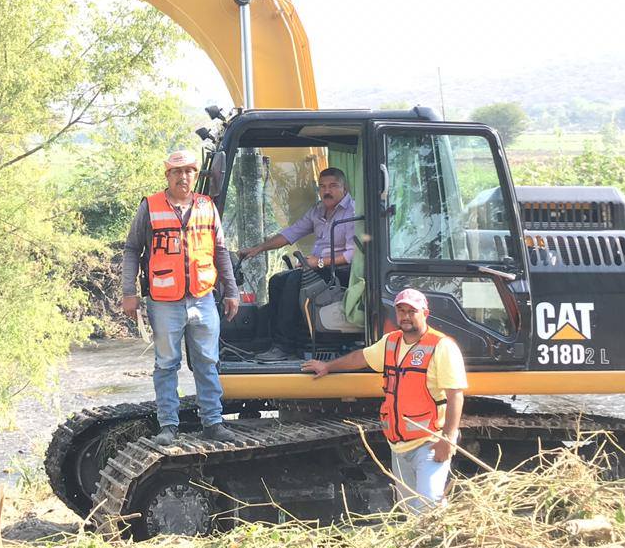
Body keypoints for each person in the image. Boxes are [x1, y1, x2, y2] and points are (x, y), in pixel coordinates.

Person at [302, 288, 466, 512]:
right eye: (401, 311)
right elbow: (360, 357)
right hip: (398, 445)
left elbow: (455, 394)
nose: (405, 316)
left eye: (412, 311)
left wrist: (447, 439)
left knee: (427, 507)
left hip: (429, 442)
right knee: (410, 510)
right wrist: (328, 366)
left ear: (425, 313)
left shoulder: (441, 346)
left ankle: (442, 543)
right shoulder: (392, 342)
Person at [122, 149, 242, 446]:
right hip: (164, 302)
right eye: (177, 171)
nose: (183, 176)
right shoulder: (150, 207)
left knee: (207, 361)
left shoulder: (207, 206)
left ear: (195, 175)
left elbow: (221, 252)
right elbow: (131, 250)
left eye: (189, 171)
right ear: (168, 175)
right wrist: (129, 293)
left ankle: (213, 423)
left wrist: (232, 291)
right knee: (166, 363)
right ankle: (168, 426)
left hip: (203, 298)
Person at [238, 167, 356, 361]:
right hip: (319, 267)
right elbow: (291, 233)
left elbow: (352, 255)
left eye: (333, 186)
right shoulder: (318, 210)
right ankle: (274, 340)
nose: (327, 191)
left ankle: (284, 346)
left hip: (342, 270)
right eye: (323, 186)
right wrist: (258, 249)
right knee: (277, 280)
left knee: (294, 280)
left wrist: (318, 262)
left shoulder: (352, 211)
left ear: (344, 188)